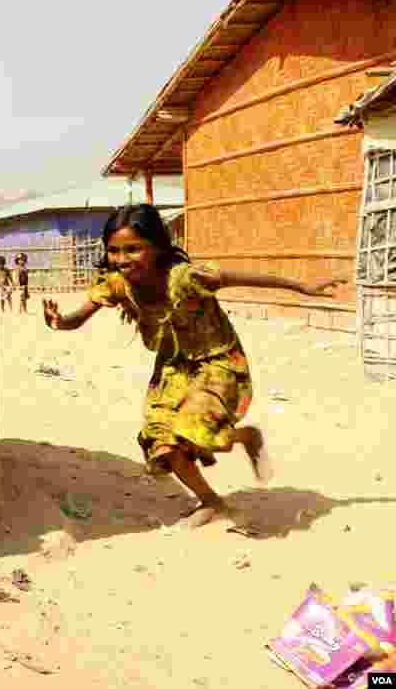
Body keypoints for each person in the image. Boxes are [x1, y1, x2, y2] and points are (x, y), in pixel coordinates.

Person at [42, 204, 345, 528]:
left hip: (217, 363)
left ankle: (243, 436)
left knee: (195, 429)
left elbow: (243, 278)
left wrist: (302, 288)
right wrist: (60, 322)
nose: (121, 259)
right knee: (162, 441)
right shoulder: (116, 284)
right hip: (173, 368)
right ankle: (212, 502)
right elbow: (80, 316)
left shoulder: (186, 278)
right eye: (114, 250)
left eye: (133, 249)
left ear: (157, 247)